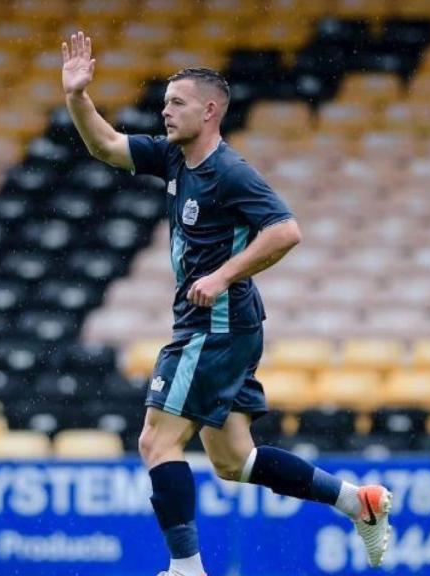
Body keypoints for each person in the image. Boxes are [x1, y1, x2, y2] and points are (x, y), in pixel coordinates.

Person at [60, 31, 392, 575]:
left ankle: (187, 569)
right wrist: (77, 96)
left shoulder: (230, 172)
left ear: (210, 111)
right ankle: (359, 502)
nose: (165, 111)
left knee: (155, 442)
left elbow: (285, 230)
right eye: (165, 102)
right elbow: (106, 145)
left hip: (214, 326)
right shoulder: (174, 159)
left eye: (177, 103)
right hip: (227, 325)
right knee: (235, 462)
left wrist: (221, 275)